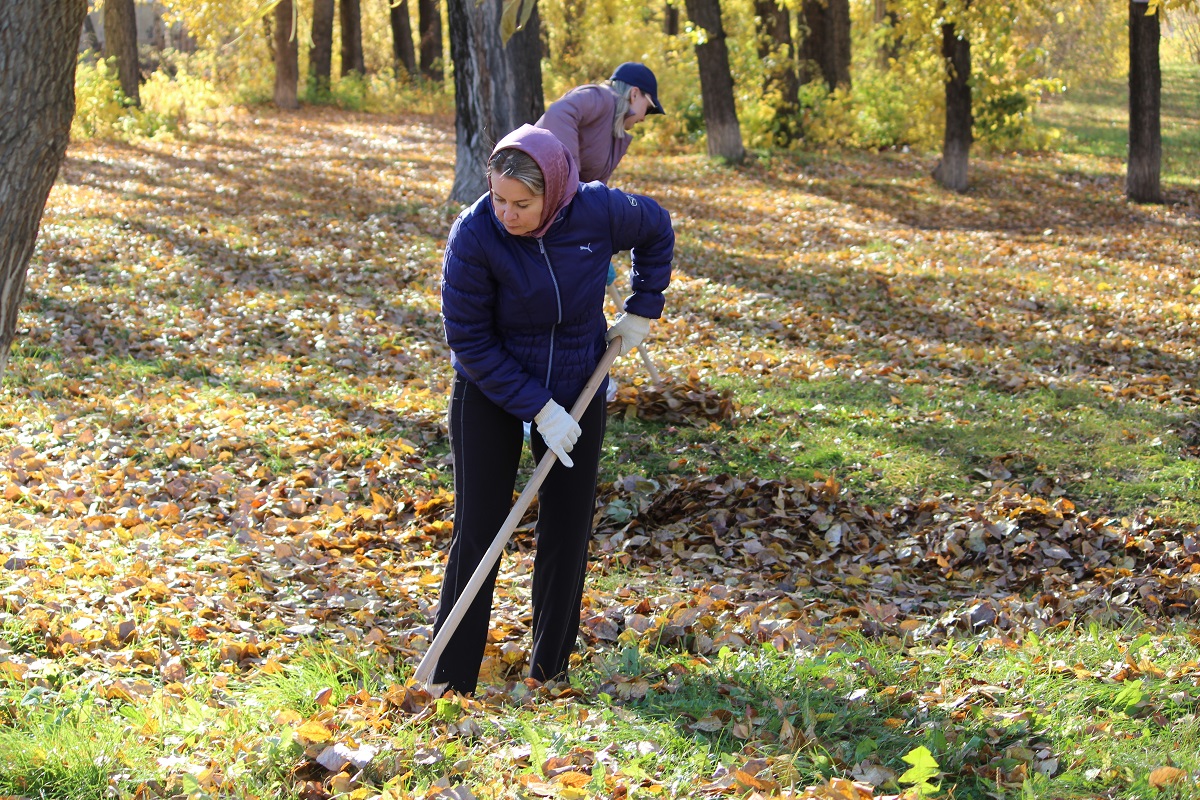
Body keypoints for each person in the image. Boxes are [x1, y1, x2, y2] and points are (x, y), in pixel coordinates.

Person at [433, 124, 674, 695]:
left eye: (522, 203)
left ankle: (551, 672)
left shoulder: (597, 210)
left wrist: (643, 307)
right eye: (498, 199)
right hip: (490, 387)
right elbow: (468, 338)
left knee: (567, 526)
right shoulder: (474, 235)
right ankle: (450, 678)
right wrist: (538, 409)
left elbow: (657, 227)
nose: (507, 214)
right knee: (480, 527)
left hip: (578, 380)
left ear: (556, 192)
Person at [536, 61, 666, 400]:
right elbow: (559, 114)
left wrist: (599, 247)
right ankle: (538, 393)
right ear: (634, 93)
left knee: (578, 298)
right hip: (541, 210)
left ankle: (577, 380)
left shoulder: (613, 134)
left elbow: (597, 192)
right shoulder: (599, 97)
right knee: (550, 300)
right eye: (646, 109)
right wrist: (568, 183)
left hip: (567, 220)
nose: (643, 118)